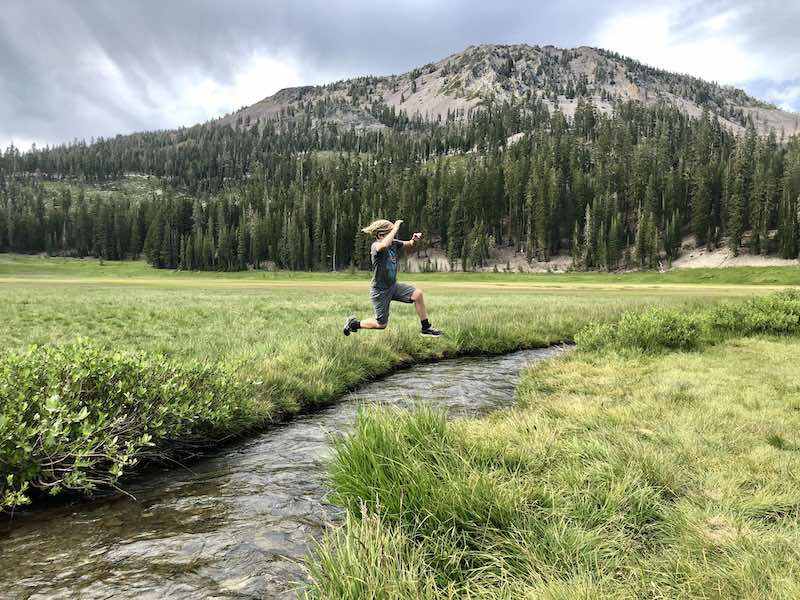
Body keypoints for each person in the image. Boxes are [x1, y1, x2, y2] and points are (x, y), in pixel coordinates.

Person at [343, 219, 443, 337]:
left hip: (393, 286)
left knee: (417, 294)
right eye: (390, 233)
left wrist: (414, 240)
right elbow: (383, 246)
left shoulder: (394, 243)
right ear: (381, 235)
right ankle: (353, 324)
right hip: (380, 291)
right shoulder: (376, 246)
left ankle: (426, 328)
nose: (393, 236)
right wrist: (395, 228)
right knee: (381, 324)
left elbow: (410, 244)